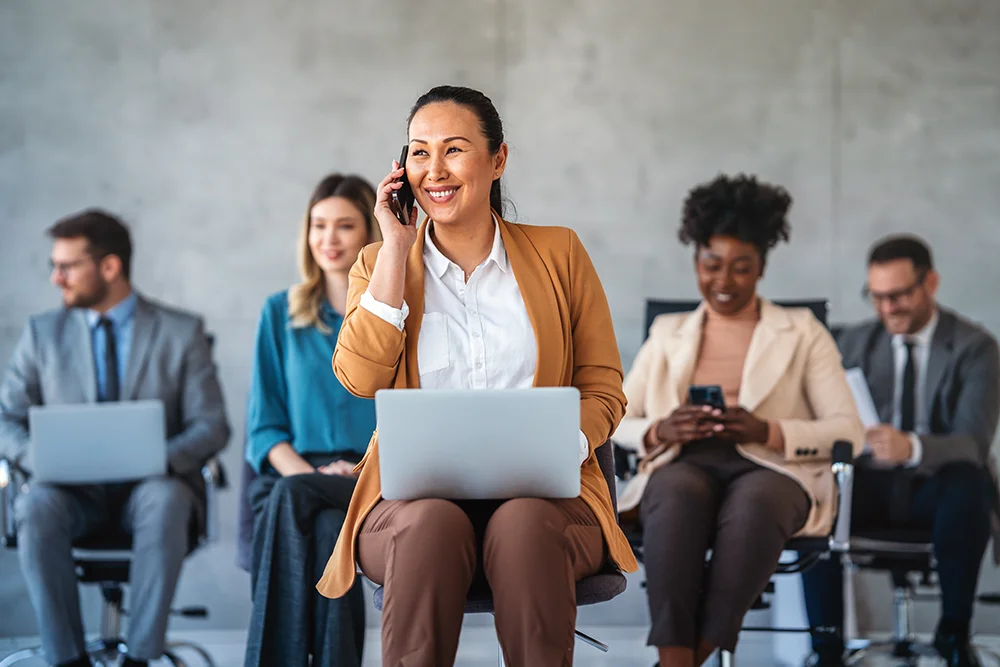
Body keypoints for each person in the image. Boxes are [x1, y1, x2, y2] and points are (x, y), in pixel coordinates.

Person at [314, 85, 638, 667]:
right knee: (431, 524)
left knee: (524, 524)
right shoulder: (376, 264)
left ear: (498, 160)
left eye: (454, 149)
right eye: (418, 152)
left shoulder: (559, 253)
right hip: (411, 503)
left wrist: (557, 447)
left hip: (548, 499)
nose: (434, 170)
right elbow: (360, 379)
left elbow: (604, 387)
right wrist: (394, 249)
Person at [613, 174, 864, 667]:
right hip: (686, 460)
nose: (724, 282)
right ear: (695, 261)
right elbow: (611, 414)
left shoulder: (802, 332)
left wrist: (767, 430)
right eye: (712, 265)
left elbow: (847, 431)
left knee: (756, 504)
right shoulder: (669, 332)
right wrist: (661, 430)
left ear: (762, 269)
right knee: (673, 493)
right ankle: (676, 655)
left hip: (771, 466)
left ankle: (682, 661)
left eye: (741, 268)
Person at [0, 209, 230, 667]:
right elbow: (7, 419)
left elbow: (212, 426)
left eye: (66, 267)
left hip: (151, 491)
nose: (55, 278)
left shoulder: (180, 332)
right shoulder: (42, 335)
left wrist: (156, 459)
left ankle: (138, 660)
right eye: (55, 266)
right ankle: (68, 660)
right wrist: (40, 457)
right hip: (69, 495)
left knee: (163, 498)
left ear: (108, 267)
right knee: (35, 504)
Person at [801, 235, 1000, 667]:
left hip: (938, 492)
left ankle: (953, 633)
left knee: (972, 479)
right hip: (868, 485)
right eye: (877, 296)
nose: (887, 307)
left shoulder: (975, 348)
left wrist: (910, 447)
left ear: (930, 283)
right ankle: (826, 649)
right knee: (817, 488)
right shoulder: (850, 343)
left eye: (899, 295)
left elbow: (973, 441)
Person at [243, 174, 380, 667]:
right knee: (326, 534)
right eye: (318, 225)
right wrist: (311, 477)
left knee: (312, 512)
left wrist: (359, 471)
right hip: (295, 474)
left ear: (371, 232)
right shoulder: (279, 312)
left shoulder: (395, 314)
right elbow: (264, 430)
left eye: (345, 225)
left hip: (372, 475)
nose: (329, 238)